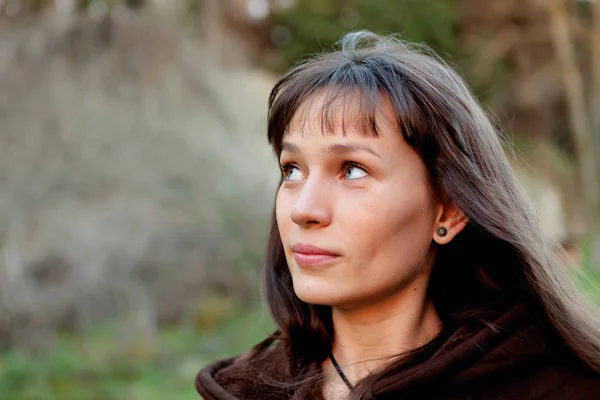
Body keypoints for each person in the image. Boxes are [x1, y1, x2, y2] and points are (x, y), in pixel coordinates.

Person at [195, 31, 600, 399]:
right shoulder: (242, 391)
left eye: (352, 169)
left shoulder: (560, 390)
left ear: (448, 209)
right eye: (292, 170)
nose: (304, 209)